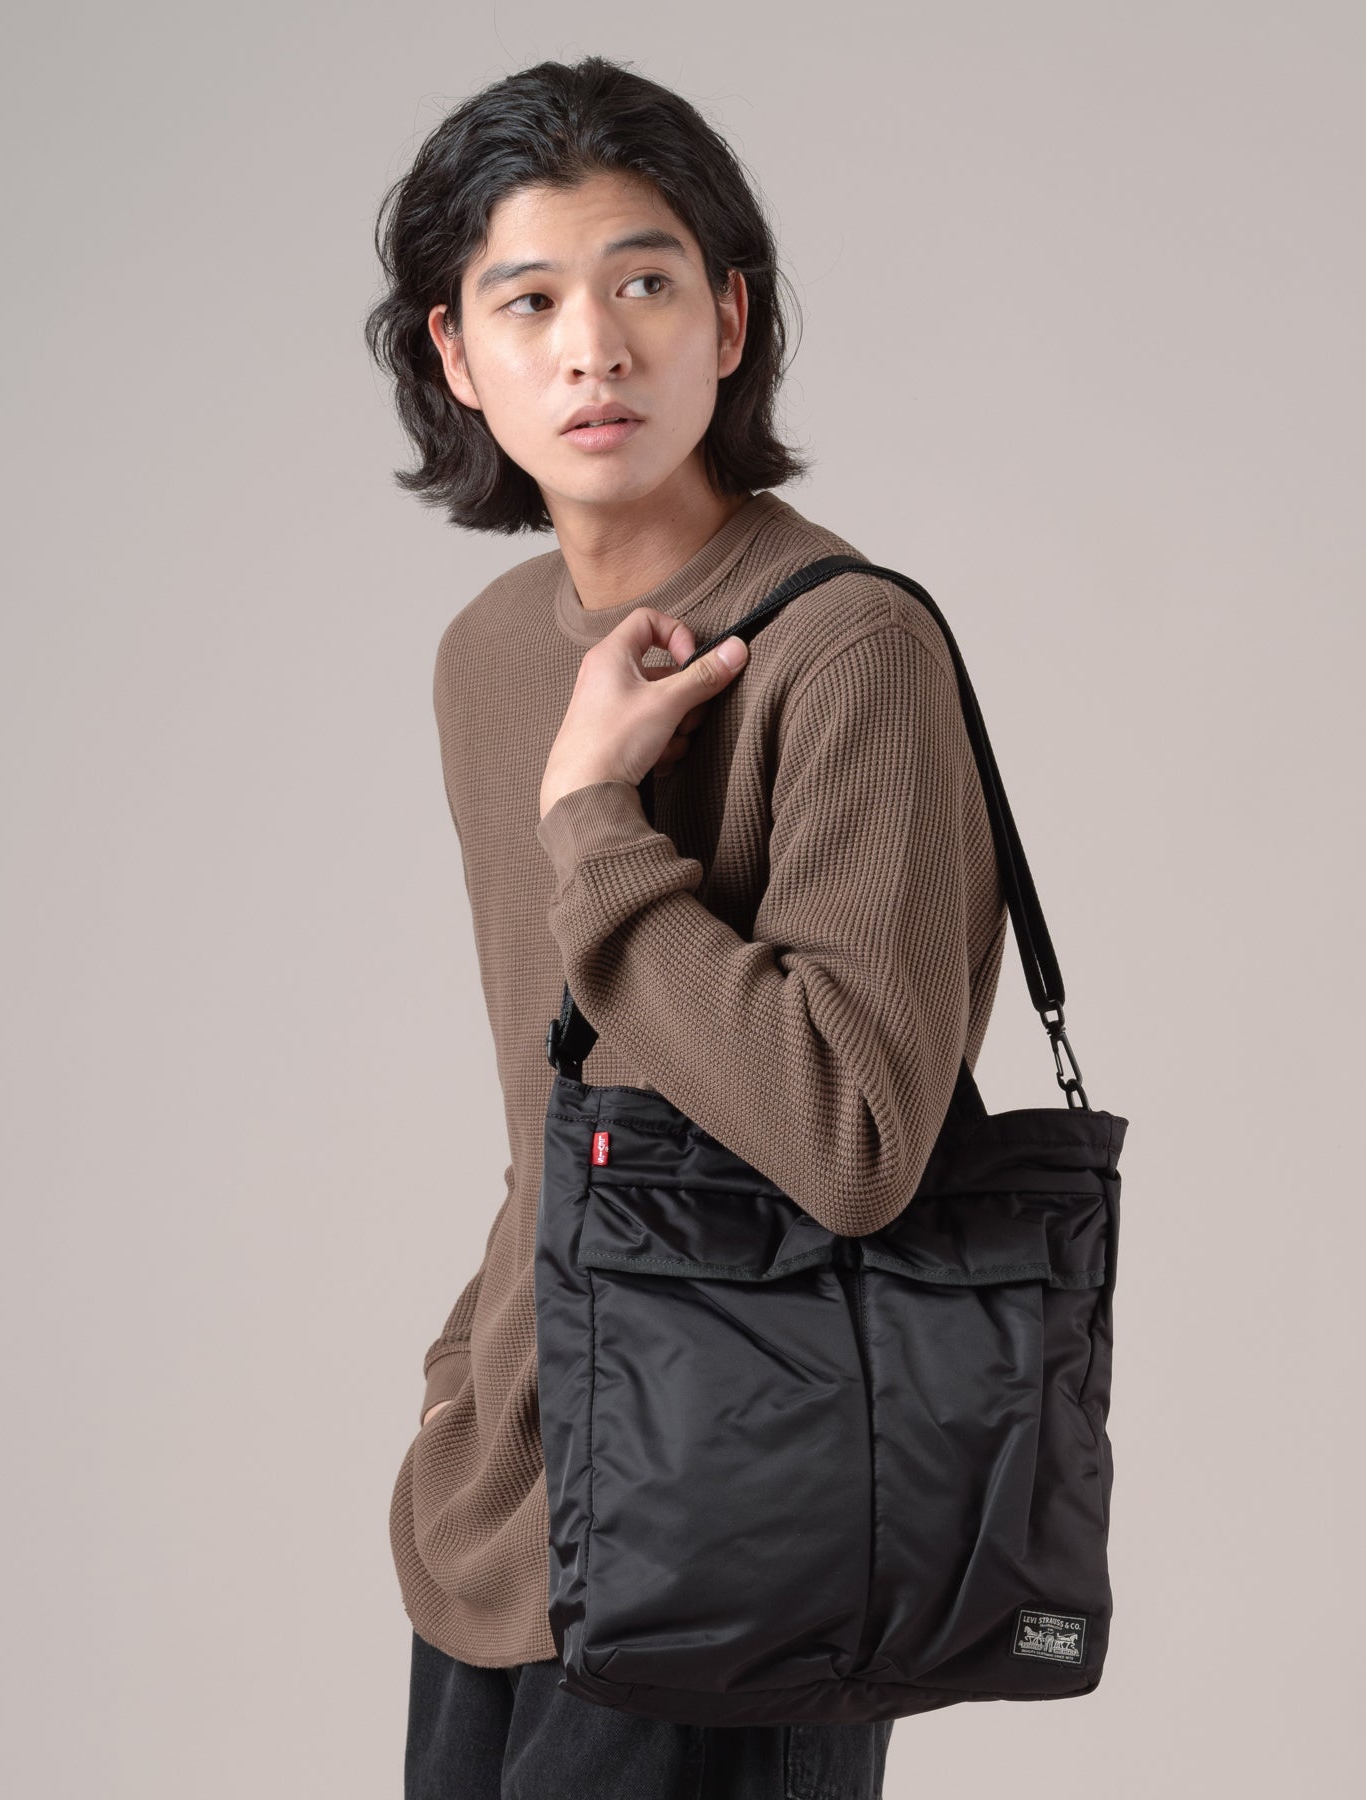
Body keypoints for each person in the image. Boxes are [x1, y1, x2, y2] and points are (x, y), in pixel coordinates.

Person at [363, 52, 1007, 1799]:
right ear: (456, 354)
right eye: (531, 301)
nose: (594, 348)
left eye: (644, 284)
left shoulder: (846, 650)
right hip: (506, 1507)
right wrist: (462, 1385)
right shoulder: (492, 658)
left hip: (747, 1519)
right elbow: (551, 1106)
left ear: (728, 318)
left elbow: (856, 1144)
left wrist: (597, 822)